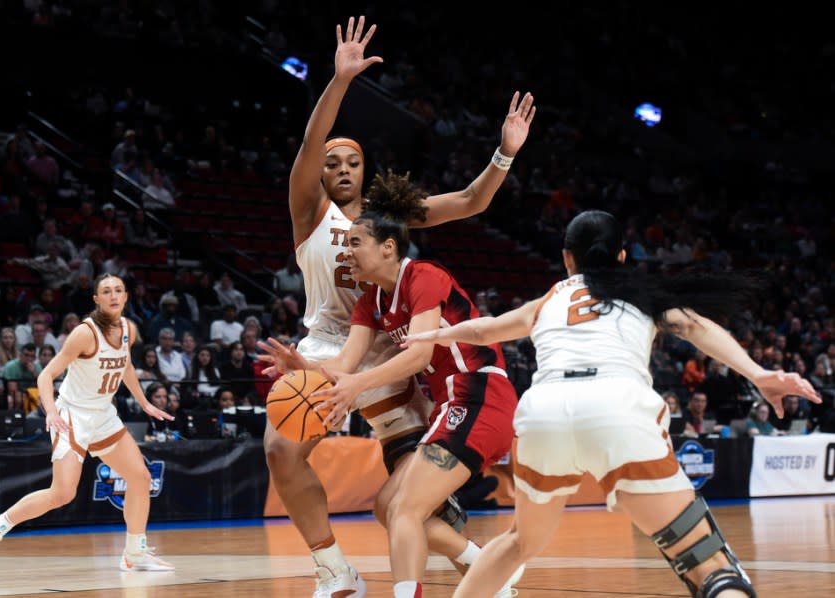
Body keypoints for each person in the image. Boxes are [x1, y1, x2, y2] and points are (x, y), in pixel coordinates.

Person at [402, 210, 822, 598]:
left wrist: (435, 335)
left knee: (519, 541)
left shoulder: (550, 298)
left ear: (567, 258)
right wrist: (759, 374)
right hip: (616, 407)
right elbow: (695, 326)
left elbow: (487, 329)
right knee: (705, 560)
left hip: (543, 413)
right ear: (621, 256)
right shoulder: (641, 290)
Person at [264, 15, 535, 598]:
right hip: (330, 344)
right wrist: (339, 82)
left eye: (351, 162)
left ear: (366, 171)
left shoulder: (388, 219)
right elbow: (313, 142)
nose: (338, 169)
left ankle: (472, 559)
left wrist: (504, 154)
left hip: (392, 346)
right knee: (280, 450)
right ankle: (335, 569)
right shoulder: (308, 211)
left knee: (403, 496)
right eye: (332, 163)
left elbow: (470, 200)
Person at [261, 172, 524, 598]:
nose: (346, 252)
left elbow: (418, 355)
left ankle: (478, 573)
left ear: (387, 247)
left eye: (354, 244)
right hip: (449, 403)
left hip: (478, 393)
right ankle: (487, 569)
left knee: (403, 508)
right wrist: (302, 367)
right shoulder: (371, 303)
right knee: (387, 507)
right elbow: (345, 364)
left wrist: (355, 384)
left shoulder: (424, 276)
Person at [0, 273, 176, 571]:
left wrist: (144, 403)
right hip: (73, 414)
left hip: (103, 414)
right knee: (63, 493)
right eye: (106, 291)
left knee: (141, 477)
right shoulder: (85, 333)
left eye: (118, 290)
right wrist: (51, 412)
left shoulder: (128, 328)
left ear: (127, 296)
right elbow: (45, 376)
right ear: (96, 299)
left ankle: (134, 553)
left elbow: (125, 364)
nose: (113, 295)